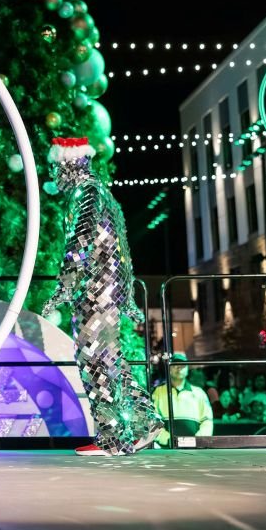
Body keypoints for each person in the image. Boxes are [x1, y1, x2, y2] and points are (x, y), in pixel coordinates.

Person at [42, 137, 164, 456]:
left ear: (70, 164)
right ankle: (144, 423)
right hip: (106, 290)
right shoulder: (100, 191)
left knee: (94, 360)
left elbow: (79, 244)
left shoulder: (86, 192)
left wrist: (63, 288)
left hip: (94, 291)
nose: (54, 174)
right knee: (112, 361)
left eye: (57, 167)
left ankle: (112, 437)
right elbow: (120, 251)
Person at [150, 353, 214, 444]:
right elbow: (153, 419)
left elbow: (207, 420)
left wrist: (198, 440)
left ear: (187, 369)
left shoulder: (199, 393)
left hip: (195, 450)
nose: (179, 368)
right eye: (175, 365)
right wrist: (167, 439)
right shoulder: (158, 392)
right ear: (169, 369)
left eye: (183, 365)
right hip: (167, 449)